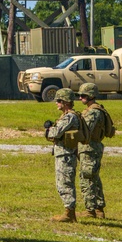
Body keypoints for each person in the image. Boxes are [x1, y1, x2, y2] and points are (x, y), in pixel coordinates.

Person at [46, 87, 82, 223]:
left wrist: (49, 130)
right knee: (62, 182)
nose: (57, 103)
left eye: (59, 100)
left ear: (66, 102)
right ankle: (69, 211)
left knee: (64, 183)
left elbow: (55, 133)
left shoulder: (69, 117)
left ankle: (69, 213)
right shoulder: (68, 116)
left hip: (66, 154)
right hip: (64, 153)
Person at [77, 83, 109, 218]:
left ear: (90, 95)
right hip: (92, 147)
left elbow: (85, 131)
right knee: (94, 177)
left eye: (83, 95)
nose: (80, 98)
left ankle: (90, 209)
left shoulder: (93, 112)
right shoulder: (97, 109)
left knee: (87, 177)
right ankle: (99, 209)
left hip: (89, 148)